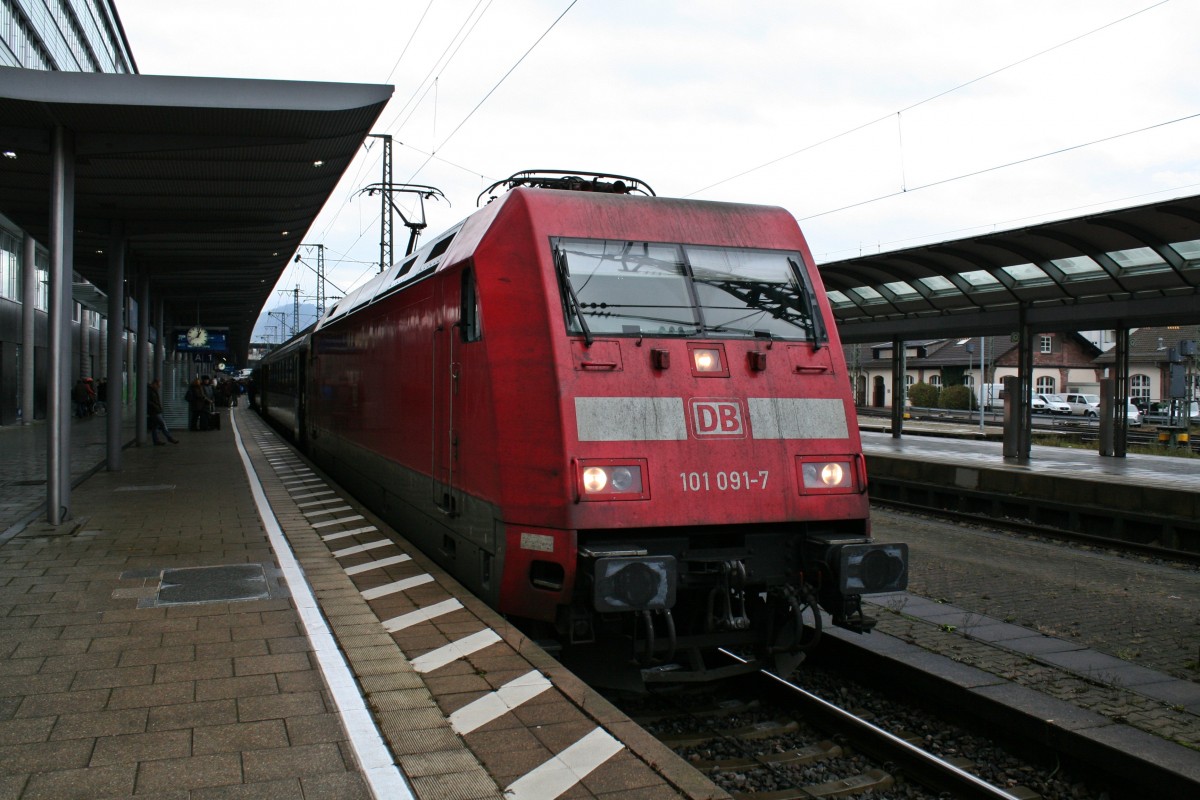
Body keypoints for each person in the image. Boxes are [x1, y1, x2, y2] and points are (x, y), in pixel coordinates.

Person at [146, 379, 178, 445]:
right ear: (154, 384)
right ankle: (169, 438)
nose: (159, 387)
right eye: (158, 385)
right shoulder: (149, 391)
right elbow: (149, 401)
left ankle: (156, 441)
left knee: (154, 426)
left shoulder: (153, 390)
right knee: (163, 424)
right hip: (154, 411)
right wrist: (156, 406)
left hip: (156, 410)